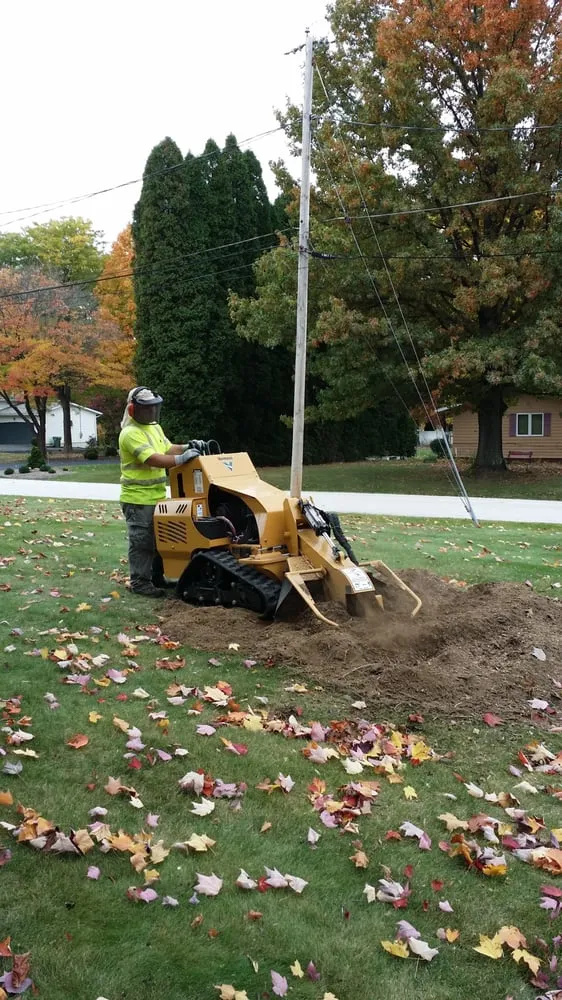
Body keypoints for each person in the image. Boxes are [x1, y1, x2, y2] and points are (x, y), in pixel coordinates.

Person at [119, 386, 200, 598]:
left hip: (156, 497)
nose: (151, 413)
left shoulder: (154, 428)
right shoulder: (130, 433)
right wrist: (180, 459)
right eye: (146, 409)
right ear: (132, 410)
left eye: (154, 408)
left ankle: (156, 577)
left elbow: (167, 449)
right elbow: (153, 458)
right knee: (142, 542)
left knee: (159, 541)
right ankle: (140, 582)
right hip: (137, 499)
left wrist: (186, 447)